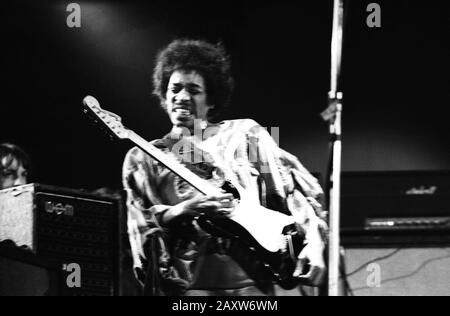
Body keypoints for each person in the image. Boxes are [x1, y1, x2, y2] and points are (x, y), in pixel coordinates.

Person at [122, 39, 327, 296]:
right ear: (164, 93)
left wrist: (314, 244)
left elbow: (292, 193)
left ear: (211, 100)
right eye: (175, 89)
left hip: (253, 286)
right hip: (190, 290)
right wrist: (182, 210)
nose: (182, 97)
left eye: (194, 90)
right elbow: (138, 226)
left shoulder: (248, 134)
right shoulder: (143, 157)